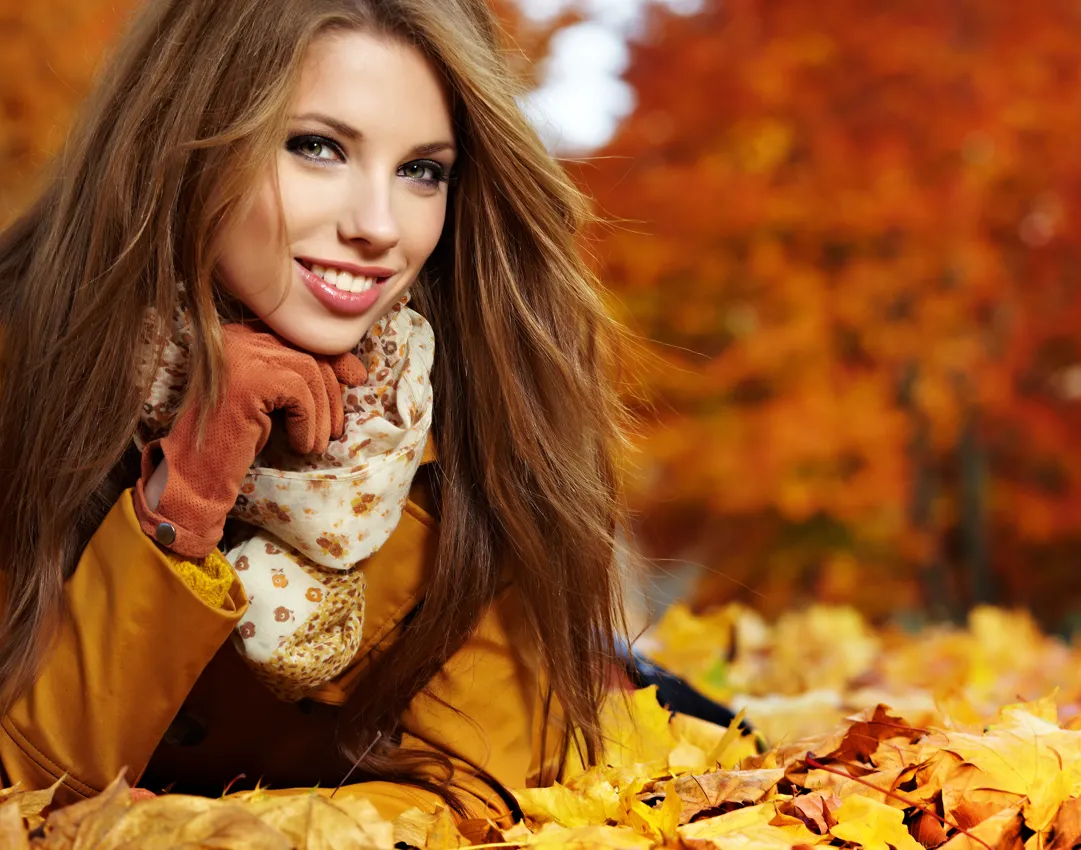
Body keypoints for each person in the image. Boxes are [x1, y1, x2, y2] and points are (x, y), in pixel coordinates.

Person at [0, 0, 640, 829]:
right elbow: (16, 788)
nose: (379, 227)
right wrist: (186, 493)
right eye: (316, 147)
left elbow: (472, 795)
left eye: (423, 170)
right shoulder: (24, 362)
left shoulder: (488, 401)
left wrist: (180, 836)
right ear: (185, 138)